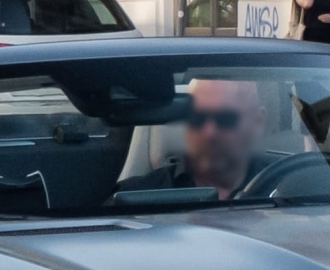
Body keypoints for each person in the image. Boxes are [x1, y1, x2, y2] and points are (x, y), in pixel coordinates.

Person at [114, 77, 275, 201]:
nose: (209, 133)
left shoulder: (288, 188)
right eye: (197, 118)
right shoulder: (133, 198)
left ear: (257, 122)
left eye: (226, 119)